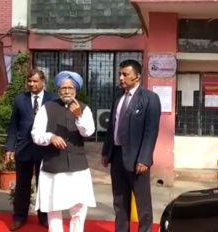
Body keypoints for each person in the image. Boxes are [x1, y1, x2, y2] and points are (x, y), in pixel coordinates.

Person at [31, 71, 96, 232]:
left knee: (79, 207)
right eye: (63, 88)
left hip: (78, 167)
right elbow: (36, 134)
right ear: (58, 89)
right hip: (54, 166)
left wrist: (79, 117)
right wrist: (50, 137)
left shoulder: (84, 108)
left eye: (70, 87)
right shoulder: (47, 108)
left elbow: (88, 132)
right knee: (54, 206)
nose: (66, 91)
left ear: (75, 90)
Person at [101, 60, 161, 232]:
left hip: (137, 160)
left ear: (137, 76)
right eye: (120, 74)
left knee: (142, 203)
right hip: (117, 157)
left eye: (125, 74)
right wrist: (106, 151)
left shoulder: (150, 98)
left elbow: (151, 131)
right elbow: (112, 127)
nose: (121, 78)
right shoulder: (118, 98)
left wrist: (145, 159)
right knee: (119, 201)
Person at [5, 69, 55, 230]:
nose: (31, 84)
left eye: (35, 81)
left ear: (43, 82)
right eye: (29, 81)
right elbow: (13, 126)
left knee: (44, 185)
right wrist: (10, 147)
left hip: (45, 150)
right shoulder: (20, 100)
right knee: (22, 186)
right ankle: (19, 216)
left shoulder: (52, 99)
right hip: (24, 149)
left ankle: (44, 216)